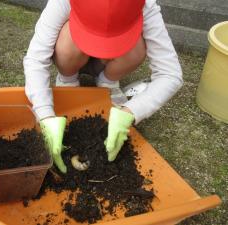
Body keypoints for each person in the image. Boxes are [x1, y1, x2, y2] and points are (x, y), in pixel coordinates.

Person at [24, 0, 183, 173]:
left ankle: (108, 82)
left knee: (137, 47)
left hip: (109, 62)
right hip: (72, 54)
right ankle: (68, 79)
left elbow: (170, 74)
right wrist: (45, 114)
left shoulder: (144, 4)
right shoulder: (62, 2)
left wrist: (132, 110)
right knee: (65, 38)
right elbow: (35, 59)